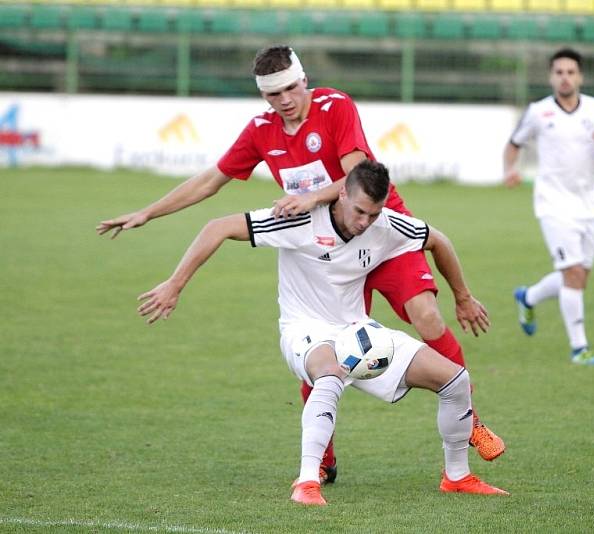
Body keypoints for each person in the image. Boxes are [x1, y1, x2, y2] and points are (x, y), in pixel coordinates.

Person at [96, 46, 505, 479]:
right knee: (321, 346)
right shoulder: (261, 131)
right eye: (275, 94)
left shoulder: (335, 106)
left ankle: (470, 418)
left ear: (304, 80)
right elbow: (210, 181)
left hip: (379, 236)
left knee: (427, 317)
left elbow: (357, 173)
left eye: (291, 88)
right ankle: (322, 458)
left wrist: (310, 197)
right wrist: (148, 212)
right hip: (324, 251)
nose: (286, 100)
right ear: (264, 96)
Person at [136, 160, 508, 505]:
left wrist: (463, 296)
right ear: (342, 192)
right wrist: (174, 284)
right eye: (360, 211)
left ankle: (457, 477)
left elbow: (438, 239)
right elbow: (217, 227)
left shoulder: (386, 225)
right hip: (303, 330)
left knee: (455, 380)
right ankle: (307, 481)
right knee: (327, 375)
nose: (365, 222)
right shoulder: (297, 221)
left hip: (357, 330)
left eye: (373, 213)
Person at [502, 47, 594, 366]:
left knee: (577, 277)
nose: (565, 77)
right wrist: (509, 170)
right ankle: (579, 348)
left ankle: (527, 297)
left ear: (580, 76)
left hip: (589, 205)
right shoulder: (539, 111)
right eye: (559, 72)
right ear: (551, 76)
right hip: (553, 204)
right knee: (572, 273)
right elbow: (514, 144)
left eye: (571, 72)